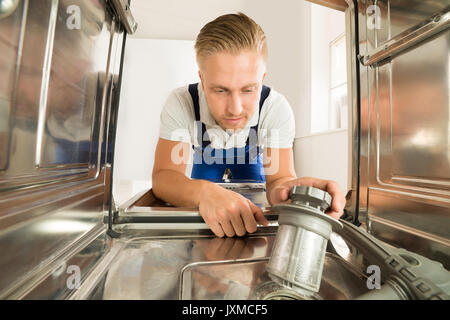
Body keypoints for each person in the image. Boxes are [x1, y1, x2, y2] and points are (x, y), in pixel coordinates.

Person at [152, 12, 345, 238]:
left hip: (254, 188)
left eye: (248, 89)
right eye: (220, 90)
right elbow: (164, 176)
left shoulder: (276, 108)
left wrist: (290, 190)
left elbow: (278, 180)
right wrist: (204, 192)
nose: (235, 108)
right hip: (203, 186)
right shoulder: (181, 102)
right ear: (202, 81)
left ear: (262, 79)